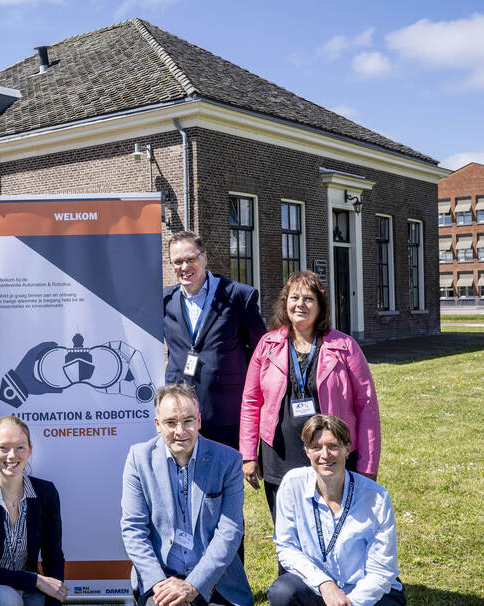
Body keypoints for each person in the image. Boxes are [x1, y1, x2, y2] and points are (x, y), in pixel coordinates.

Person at [239, 270, 381, 521]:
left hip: (330, 456)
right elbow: (251, 401)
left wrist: (368, 466)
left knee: (333, 528)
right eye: (294, 298)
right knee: (287, 531)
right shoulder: (267, 345)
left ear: (320, 305)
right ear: (285, 303)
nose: (300, 304)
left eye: (308, 299)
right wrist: (249, 454)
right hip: (280, 456)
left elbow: (366, 407)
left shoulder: (345, 347)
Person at [121, 383, 253, 606]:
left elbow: (230, 532)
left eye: (188, 421)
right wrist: (159, 584)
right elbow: (133, 529)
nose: (180, 431)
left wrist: (193, 585)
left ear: (199, 421)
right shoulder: (138, 459)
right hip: (161, 580)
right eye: (171, 423)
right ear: (158, 425)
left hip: (215, 582)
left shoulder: (228, 461)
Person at [268, 415, 406, 606]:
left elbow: (381, 571)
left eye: (333, 446)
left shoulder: (376, 498)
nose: (325, 455)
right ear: (306, 451)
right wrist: (324, 584)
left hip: (368, 591)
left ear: (347, 448)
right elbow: (287, 547)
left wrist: (350, 603)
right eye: (316, 447)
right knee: (283, 592)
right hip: (318, 587)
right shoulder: (293, 484)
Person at [163, 230, 266, 450]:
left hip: (225, 411)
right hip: (180, 415)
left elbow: (261, 351)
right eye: (178, 262)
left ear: (204, 258)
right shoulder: (164, 300)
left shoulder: (238, 296)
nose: (184, 267)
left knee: (225, 469)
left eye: (190, 259)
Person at [0, 416, 66, 606]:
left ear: (30, 450)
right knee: (7, 598)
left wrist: (53, 598)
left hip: (29, 588)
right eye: (3, 448)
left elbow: (54, 557)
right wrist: (35, 580)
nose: (12, 455)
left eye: (20, 447)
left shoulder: (46, 493)